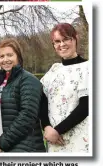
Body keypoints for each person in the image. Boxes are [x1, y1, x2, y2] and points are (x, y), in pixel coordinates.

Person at [0, 38, 46, 152]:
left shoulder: (28, 80)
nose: (6, 59)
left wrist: (2, 142)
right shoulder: (0, 82)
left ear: (18, 56)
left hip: (26, 148)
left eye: (10, 55)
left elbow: (27, 116)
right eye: (2, 56)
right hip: (4, 148)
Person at [40, 23, 89, 153]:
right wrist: (46, 127)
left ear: (75, 38)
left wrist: (58, 130)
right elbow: (42, 101)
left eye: (66, 39)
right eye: (57, 41)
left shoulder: (88, 68)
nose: (62, 44)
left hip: (80, 141)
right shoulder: (53, 71)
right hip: (54, 142)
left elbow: (86, 106)